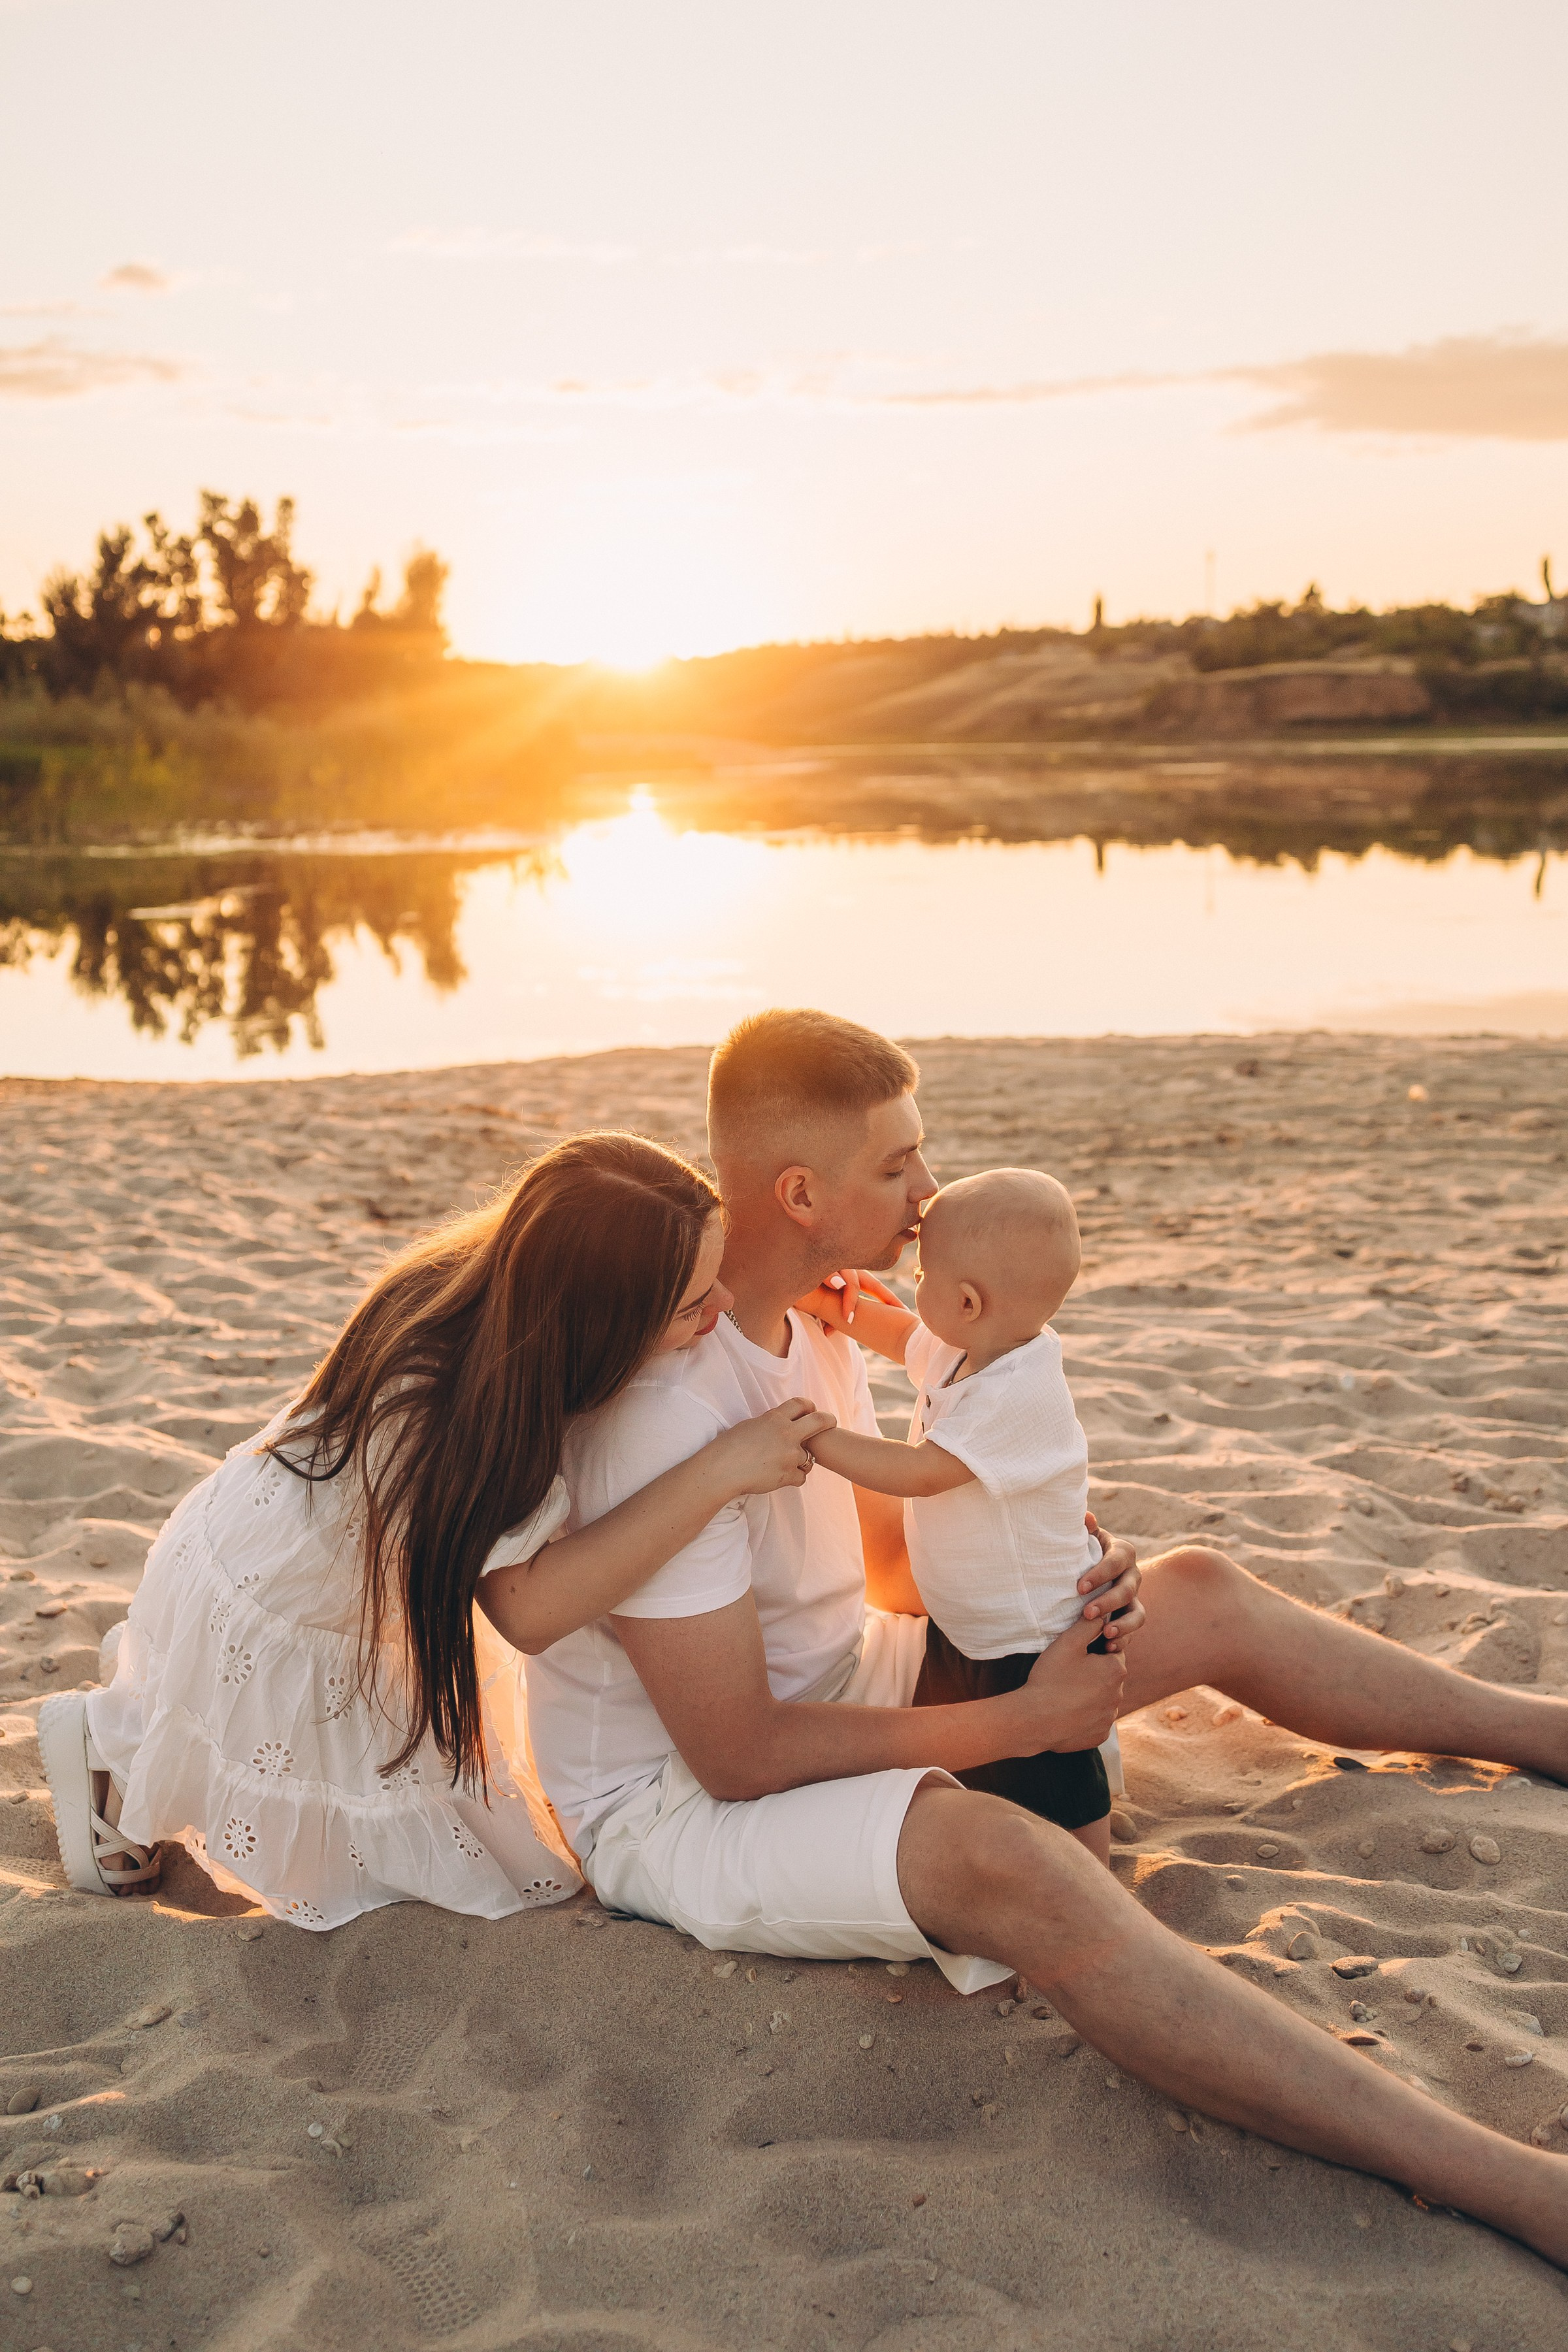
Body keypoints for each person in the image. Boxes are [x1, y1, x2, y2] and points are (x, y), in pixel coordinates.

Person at [526, 1007, 1568, 2268]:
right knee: (1017, 1867)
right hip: (683, 1801)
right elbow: (738, 1753)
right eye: (898, 1166)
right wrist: (1024, 1720)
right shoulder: (672, 1419)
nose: (927, 1194)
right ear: (801, 1190)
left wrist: (1051, 1577)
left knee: (1199, 1588)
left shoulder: (813, 1322)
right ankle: (1508, 2184)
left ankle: (1544, 1731)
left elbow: (893, 1576)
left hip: (841, 1682)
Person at [39, 1133, 834, 1927]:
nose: (722, 1307)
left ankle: (133, 1723)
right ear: (599, 1324)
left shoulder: (491, 1293)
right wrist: (718, 1472)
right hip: (286, 1605)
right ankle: (110, 1746)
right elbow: (527, 1612)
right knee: (413, 1869)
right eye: (695, 1304)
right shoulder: (461, 1409)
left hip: (271, 1547)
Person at [803, 1166, 1116, 1855]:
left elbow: (919, 1473)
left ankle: (1095, 1876)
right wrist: (832, 1304)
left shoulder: (1018, 1392)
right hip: (968, 1625)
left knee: (1059, 1779)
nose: (913, 1288)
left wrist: (820, 1438)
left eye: (922, 1276)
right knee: (987, 1774)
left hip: (1030, 1639)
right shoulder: (966, 1349)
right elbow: (898, 1337)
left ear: (968, 1301)